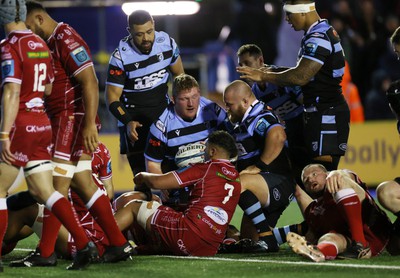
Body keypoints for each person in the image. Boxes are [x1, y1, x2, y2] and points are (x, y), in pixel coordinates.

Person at [20, 1, 133, 267]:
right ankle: (118, 243)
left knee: (53, 187)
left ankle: (48, 251)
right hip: (66, 120)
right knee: (82, 183)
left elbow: (90, 80)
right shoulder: (48, 43)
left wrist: (90, 125)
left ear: (38, 18)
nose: (27, 34)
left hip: (70, 121)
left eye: (27, 27)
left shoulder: (65, 37)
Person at [0, 0, 99, 271]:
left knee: (0, 190)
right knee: (45, 191)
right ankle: (83, 242)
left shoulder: (9, 46)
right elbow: (46, 89)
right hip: (43, 124)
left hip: (21, 124)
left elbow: (11, 92)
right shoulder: (40, 45)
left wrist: (4, 133)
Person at [237, 0, 350, 171]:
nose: (287, 20)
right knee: (315, 178)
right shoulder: (318, 33)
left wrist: (264, 75)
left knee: (323, 178)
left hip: (327, 111)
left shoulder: (318, 37)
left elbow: (301, 76)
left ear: (303, 12)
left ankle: (360, 196)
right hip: (320, 111)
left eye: (289, 14)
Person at [115, 130, 240, 256]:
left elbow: (157, 182)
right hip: (209, 248)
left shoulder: (205, 168)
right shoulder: (236, 179)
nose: (203, 153)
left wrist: (141, 176)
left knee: (133, 206)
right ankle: (142, 248)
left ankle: (100, 241)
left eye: (205, 149)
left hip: (187, 235)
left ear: (212, 151)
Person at [105, 9, 184, 176]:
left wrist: (179, 102)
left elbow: (180, 75)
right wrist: (127, 121)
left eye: (149, 32)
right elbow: (112, 98)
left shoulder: (167, 44)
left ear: (154, 24)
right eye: (139, 34)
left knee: (173, 179)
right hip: (134, 124)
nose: (146, 38)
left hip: (163, 119)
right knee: (143, 184)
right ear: (130, 32)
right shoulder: (120, 57)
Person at [222, 80, 296, 252]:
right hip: (265, 188)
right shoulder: (243, 121)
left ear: (245, 102)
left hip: (278, 181)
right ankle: (301, 229)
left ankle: (267, 238)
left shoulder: (259, 117)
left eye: (230, 105)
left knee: (237, 181)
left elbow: (278, 136)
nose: (227, 109)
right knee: (249, 241)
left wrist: (259, 165)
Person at [144, 73, 227, 205]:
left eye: (194, 97)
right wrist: (163, 186)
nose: (191, 104)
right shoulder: (161, 127)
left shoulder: (213, 111)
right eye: (184, 99)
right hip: (178, 182)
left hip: (211, 177)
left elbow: (229, 142)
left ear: (199, 93)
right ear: (173, 99)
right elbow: (153, 163)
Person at [287, 164, 394, 262]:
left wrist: (336, 173)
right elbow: (311, 235)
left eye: (314, 174)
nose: (310, 179)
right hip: (356, 245)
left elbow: (346, 175)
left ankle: (360, 244)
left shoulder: (340, 178)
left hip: (378, 230)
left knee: (339, 181)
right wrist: (307, 244)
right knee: (328, 238)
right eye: (306, 180)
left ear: (326, 174)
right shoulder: (314, 211)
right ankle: (318, 252)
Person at [237, 43, 308, 184]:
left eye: (247, 63)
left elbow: (307, 102)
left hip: (305, 126)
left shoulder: (282, 77)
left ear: (261, 61)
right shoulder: (255, 92)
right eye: (241, 65)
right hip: (290, 133)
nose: (244, 69)